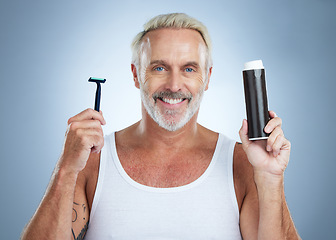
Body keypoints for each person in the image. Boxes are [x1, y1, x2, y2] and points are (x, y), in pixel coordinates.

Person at [21, 13, 300, 239]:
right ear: (135, 75)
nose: (174, 84)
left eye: (189, 69)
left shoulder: (242, 164)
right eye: (159, 68)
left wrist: (270, 179)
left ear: (207, 77)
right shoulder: (91, 162)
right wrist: (66, 168)